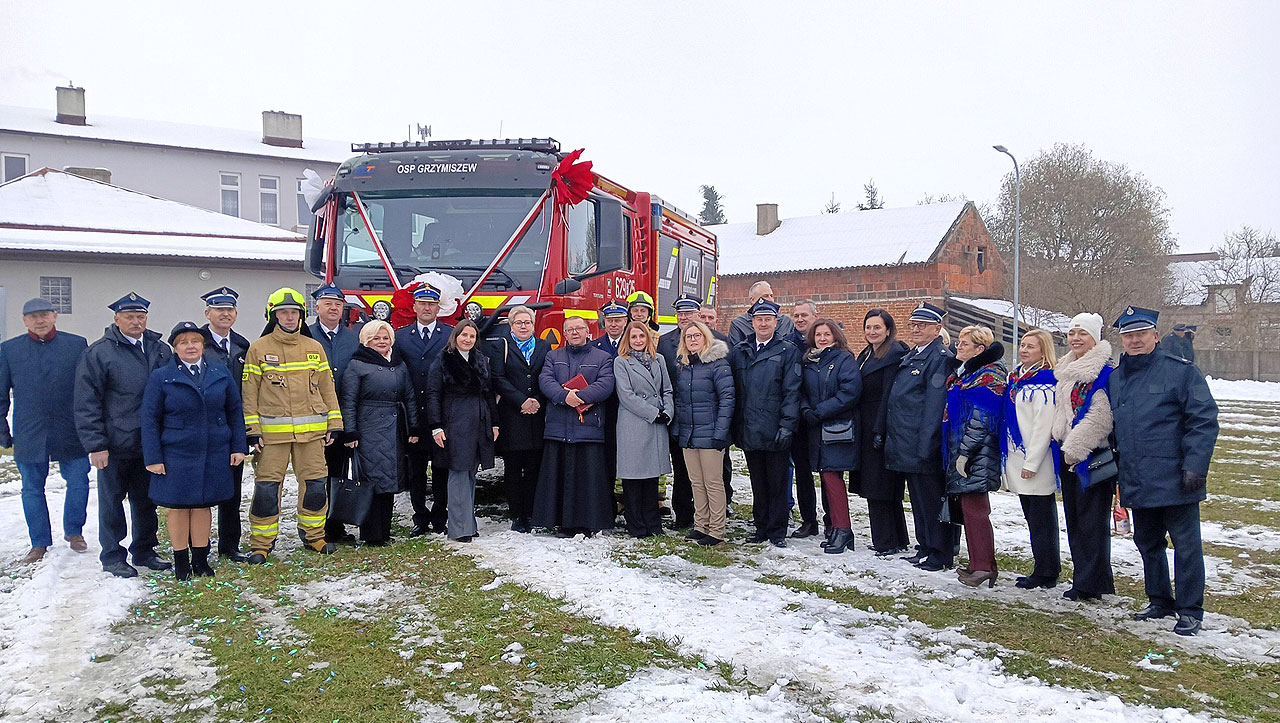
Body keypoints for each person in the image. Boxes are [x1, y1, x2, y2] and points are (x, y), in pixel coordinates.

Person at [1111, 306, 1219, 636]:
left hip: (1176, 477)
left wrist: (1195, 467)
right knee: (1148, 542)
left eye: (1141, 334)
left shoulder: (1181, 372)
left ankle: (1189, 609)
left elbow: (1203, 421)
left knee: (1186, 546)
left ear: (1156, 336)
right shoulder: (1116, 378)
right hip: (1137, 476)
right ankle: (1159, 599)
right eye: (1128, 335)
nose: (1135, 340)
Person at [74, 292, 173, 578]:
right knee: (112, 501)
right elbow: (86, 402)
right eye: (129, 317)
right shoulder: (99, 353)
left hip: (150, 442)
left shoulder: (160, 349)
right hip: (115, 444)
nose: (135, 322)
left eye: (140, 317)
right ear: (116, 319)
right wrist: (96, 444)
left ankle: (144, 549)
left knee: (146, 500)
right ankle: (112, 555)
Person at [242, 287, 343, 562]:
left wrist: (334, 424)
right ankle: (261, 544)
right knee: (266, 490)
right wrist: (252, 431)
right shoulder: (258, 349)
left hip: (312, 436)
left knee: (314, 486)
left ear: (302, 315)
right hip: (272, 438)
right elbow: (249, 394)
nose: (289, 317)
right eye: (283, 313)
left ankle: (314, 536)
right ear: (272, 316)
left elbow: (327, 389)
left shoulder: (314, 348)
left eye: (294, 312)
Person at [141, 322, 247, 580]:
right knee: (179, 507)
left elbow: (234, 412)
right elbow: (150, 418)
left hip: (214, 451)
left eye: (195, 341)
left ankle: (200, 560)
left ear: (203, 345)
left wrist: (238, 446)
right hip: (176, 453)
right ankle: (181, 562)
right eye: (184, 342)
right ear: (175, 349)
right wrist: (153, 457)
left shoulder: (220, 373)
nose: (191, 346)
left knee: (203, 506)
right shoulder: (161, 377)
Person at [0, 298, 90, 564]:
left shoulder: (76, 345)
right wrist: (3, 431)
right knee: (31, 488)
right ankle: (38, 542)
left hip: (71, 428)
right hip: (30, 431)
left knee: (79, 481)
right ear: (25, 320)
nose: (39, 320)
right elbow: (1, 394)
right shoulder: (9, 350)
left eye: (44, 315)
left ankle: (75, 531)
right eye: (33, 316)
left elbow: (88, 389)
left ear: (55, 316)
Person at [881, 302, 956, 572]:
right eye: (913, 325)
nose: (915, 329)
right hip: (906, 440)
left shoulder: (939, 358)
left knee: (931, 499)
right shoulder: (915, 354)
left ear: (937, 329)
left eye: (922, 326)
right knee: (918, 500)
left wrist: (927, 445)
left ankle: (940, 551)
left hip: (923, 443)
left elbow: (933, 408)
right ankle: (925, 545)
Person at [1050, 312, 1117, 602]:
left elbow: (1101, 417)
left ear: (1095, 338)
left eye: (1083, 334)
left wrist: (1075, 450)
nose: (1076, 339)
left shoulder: (1103, 372)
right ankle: (1089, 577)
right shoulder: (1066, 370)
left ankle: (1089, 583)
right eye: (1072, 333)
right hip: (1068, 455)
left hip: (1091, 455)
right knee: (1075, 519)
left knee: (1092, 522)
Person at [532, 316, 616, 536]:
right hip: (558, 429)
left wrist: (578, 397)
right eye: (570, 329)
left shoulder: (603, 357)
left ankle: (588, 523)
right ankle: (562, 523)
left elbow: (606, 384)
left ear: (588, 331)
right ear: (565, 334)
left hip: (588, 429)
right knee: (559, 480)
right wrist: (563, 396)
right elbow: (545, 381)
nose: (575, 332)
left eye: (579, 328)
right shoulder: (553, 356)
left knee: (588, 481)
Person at [730, 298, 802, 548]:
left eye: (767, 319)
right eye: (758, 319)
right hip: (749, 427)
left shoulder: (787, 350)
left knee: (777, 482)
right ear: (752, 322)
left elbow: (792, 391)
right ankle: (760, 526)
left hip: (774, 428)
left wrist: (787, 425)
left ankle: (777, 529)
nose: (763, 323)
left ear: (776, 322)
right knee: (757, 482)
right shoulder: (741, 350)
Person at [339, 320, 419, 546]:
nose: (381, 342)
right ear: (366, 340)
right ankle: (372, 534)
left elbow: (410, 397)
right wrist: (351, 431)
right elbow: (349, 400)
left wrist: (413, 427)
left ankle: (385, 529)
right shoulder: (357, 364)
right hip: (369, 428)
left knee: (390, 480)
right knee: (372, 481)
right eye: (376, 338)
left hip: (394, 429)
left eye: (385, 338)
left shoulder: (399, 364)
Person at [943, 326, 1007, 588]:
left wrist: (965, 453)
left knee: (977, 508)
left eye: (965, 344)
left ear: (980, 350)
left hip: (977, 452)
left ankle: (984, 565)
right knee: (968, 508)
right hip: (962, 448)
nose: (959, 347)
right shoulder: (967, 374)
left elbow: (980, 420)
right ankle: (979, 562)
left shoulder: (989, 376)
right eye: (958, 343)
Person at [427, 320, 498, 543]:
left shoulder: (481, 360)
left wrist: (494, 423)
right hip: (454, 419)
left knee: (470, 473)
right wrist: (436, 426)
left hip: (479, 418)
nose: (467, 339)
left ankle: (469, 523)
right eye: (464, 335)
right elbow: (432, 394)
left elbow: (489, 393)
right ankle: (459, 528)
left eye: (472, 336)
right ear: (455, 336)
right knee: (458, 472)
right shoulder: (443, 360)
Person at [1001, 328, 1060, 590]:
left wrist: (1032, 462)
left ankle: (1047, 570)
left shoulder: (1045, 382)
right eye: (1023, 345)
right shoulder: (1016, 378)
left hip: (1036, 460)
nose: (1024, 350)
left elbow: (1042, 427)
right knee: (1031, 517)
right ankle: (1042, 565)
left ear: (1043, 351)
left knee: (1042, 519)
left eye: (1031, 347)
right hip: (1017, 456)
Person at [799, 319, 863, 554]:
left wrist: (820, 411)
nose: (822, 338)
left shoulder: (844, 359)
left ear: (835, 336)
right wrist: (806, 410)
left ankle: (843, 529)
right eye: (818, 335)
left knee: (833, 478)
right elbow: (802, 390)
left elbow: (850, 392)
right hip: (816, 427)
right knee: (827, 477)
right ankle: (838, 528)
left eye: (827, 334)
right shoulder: (809, 361)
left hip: (838, 428)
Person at [395, 285, 454, 536]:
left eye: (432, 304)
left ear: (438, 308)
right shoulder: (400, 336)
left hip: (441, 413)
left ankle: (440, 516)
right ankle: (420, 517)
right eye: (422, 303)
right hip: (413, 414)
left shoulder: (450, 334)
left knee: (442, 469)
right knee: (416, 471)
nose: (427, 308)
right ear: (414, 307)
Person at [199, 286, 253, 563]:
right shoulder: (196, 343)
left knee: (232, 491)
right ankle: (199, 545)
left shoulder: (243, 346)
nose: (225, 314)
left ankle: (230, 546)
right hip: (203, 427)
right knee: (203, 490)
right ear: (207, 313)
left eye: (230, 310)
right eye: (219, 310)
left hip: (233, 427)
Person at [487, 306, 550, 532]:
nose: (523, 326)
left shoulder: (544, 346)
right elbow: (498, 378)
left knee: (534, 468)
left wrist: (537, 401)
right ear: (511, 325)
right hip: (512, 415)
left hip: (536, 416)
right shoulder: (499, 347)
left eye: (527, 322)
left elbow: (547, 376)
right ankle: (516, 514)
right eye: (519, 323)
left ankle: (532, 513)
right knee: (513, 469)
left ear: (534, 325)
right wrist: (521, 401)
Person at [673, 320, 734, 546]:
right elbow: (681, 401)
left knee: (713, 482)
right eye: (688, 337)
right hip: (689, 433)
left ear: (706, 337)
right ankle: (701, 525)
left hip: (710, 433)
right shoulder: (685, 366)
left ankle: (716, 530)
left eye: (697, 335)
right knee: (696, 482)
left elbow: (727, 399)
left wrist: (720, 432)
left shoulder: (718, 364)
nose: (692, 340)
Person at [855, 309, 911, 556]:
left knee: (881, 486)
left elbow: (889, 394)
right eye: (868, 327)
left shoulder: (893, 354)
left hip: (882, 426)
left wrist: (880, 429)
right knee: (875, 485)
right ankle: (893, 537)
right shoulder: (867, 353)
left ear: (888, 330)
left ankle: (886, 540)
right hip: (866, 425)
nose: (872, 332)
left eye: (877, 327)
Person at [311, 283, 362, 545]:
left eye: (338, 304)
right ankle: (312, 525)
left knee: (338, 472)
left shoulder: (354, 338)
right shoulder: (306, 336)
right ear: (316, 307)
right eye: (327, 303)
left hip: (344, 416)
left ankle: (335, 524)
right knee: (314, 474)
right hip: (312, 417)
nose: (333, 308)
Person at [614, 321, 675, 538]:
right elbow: (626, 395)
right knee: (633, 478)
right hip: (634, 423)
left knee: (651, 478)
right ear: (627, 340)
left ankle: (653, 524)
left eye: (641, 336)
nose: (638, 341)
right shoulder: (621, 362)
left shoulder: (659, 360)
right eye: (634, 337)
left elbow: (667, 389)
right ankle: (636, 525)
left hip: (657, 424)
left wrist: (668, 411)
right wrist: (653, 413)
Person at [656, 293, 704, 528]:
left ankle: (710, 516)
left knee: (708, 471)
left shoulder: (714, 340)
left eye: (689, 313)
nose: (684, 317)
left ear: (699, 314)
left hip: (705, 416)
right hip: (676, 413)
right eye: (680, 313)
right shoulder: (664, 343)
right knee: (681, 468)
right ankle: (684, 515)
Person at [787, 300, 820, 538]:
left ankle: (834, 520)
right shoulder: (788, 344)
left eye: (804, 315)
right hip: (799, 417)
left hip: (823, 417)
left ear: (815, 316)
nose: (800, 319)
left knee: (829, 473)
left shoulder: (826, 340)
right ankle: (809, 520)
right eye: (796, 315)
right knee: (803, 473)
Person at [698, 304, 735, 509]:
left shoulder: (724, 341)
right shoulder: (689, 343)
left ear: (716, 319)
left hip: (716, 416)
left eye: (710, 317)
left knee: (723, 464)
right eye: (702, 316)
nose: (706, 320)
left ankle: (726, 499)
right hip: (696, 418)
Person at [591, 300, 628, 488]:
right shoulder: (594, 346)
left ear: (626, 321)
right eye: (609, 320)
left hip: (628, 410)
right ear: (603, 321)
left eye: (618, 320)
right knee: (606, 458)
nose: (613, 324)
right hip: (603, 409)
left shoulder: (634, 344)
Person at [729, 280, 796, 346]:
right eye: (765, 296)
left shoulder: (786, 322)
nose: (770, 300)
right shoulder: (739, 325)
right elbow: (736, 353)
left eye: (771, 296)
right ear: (752, 300)